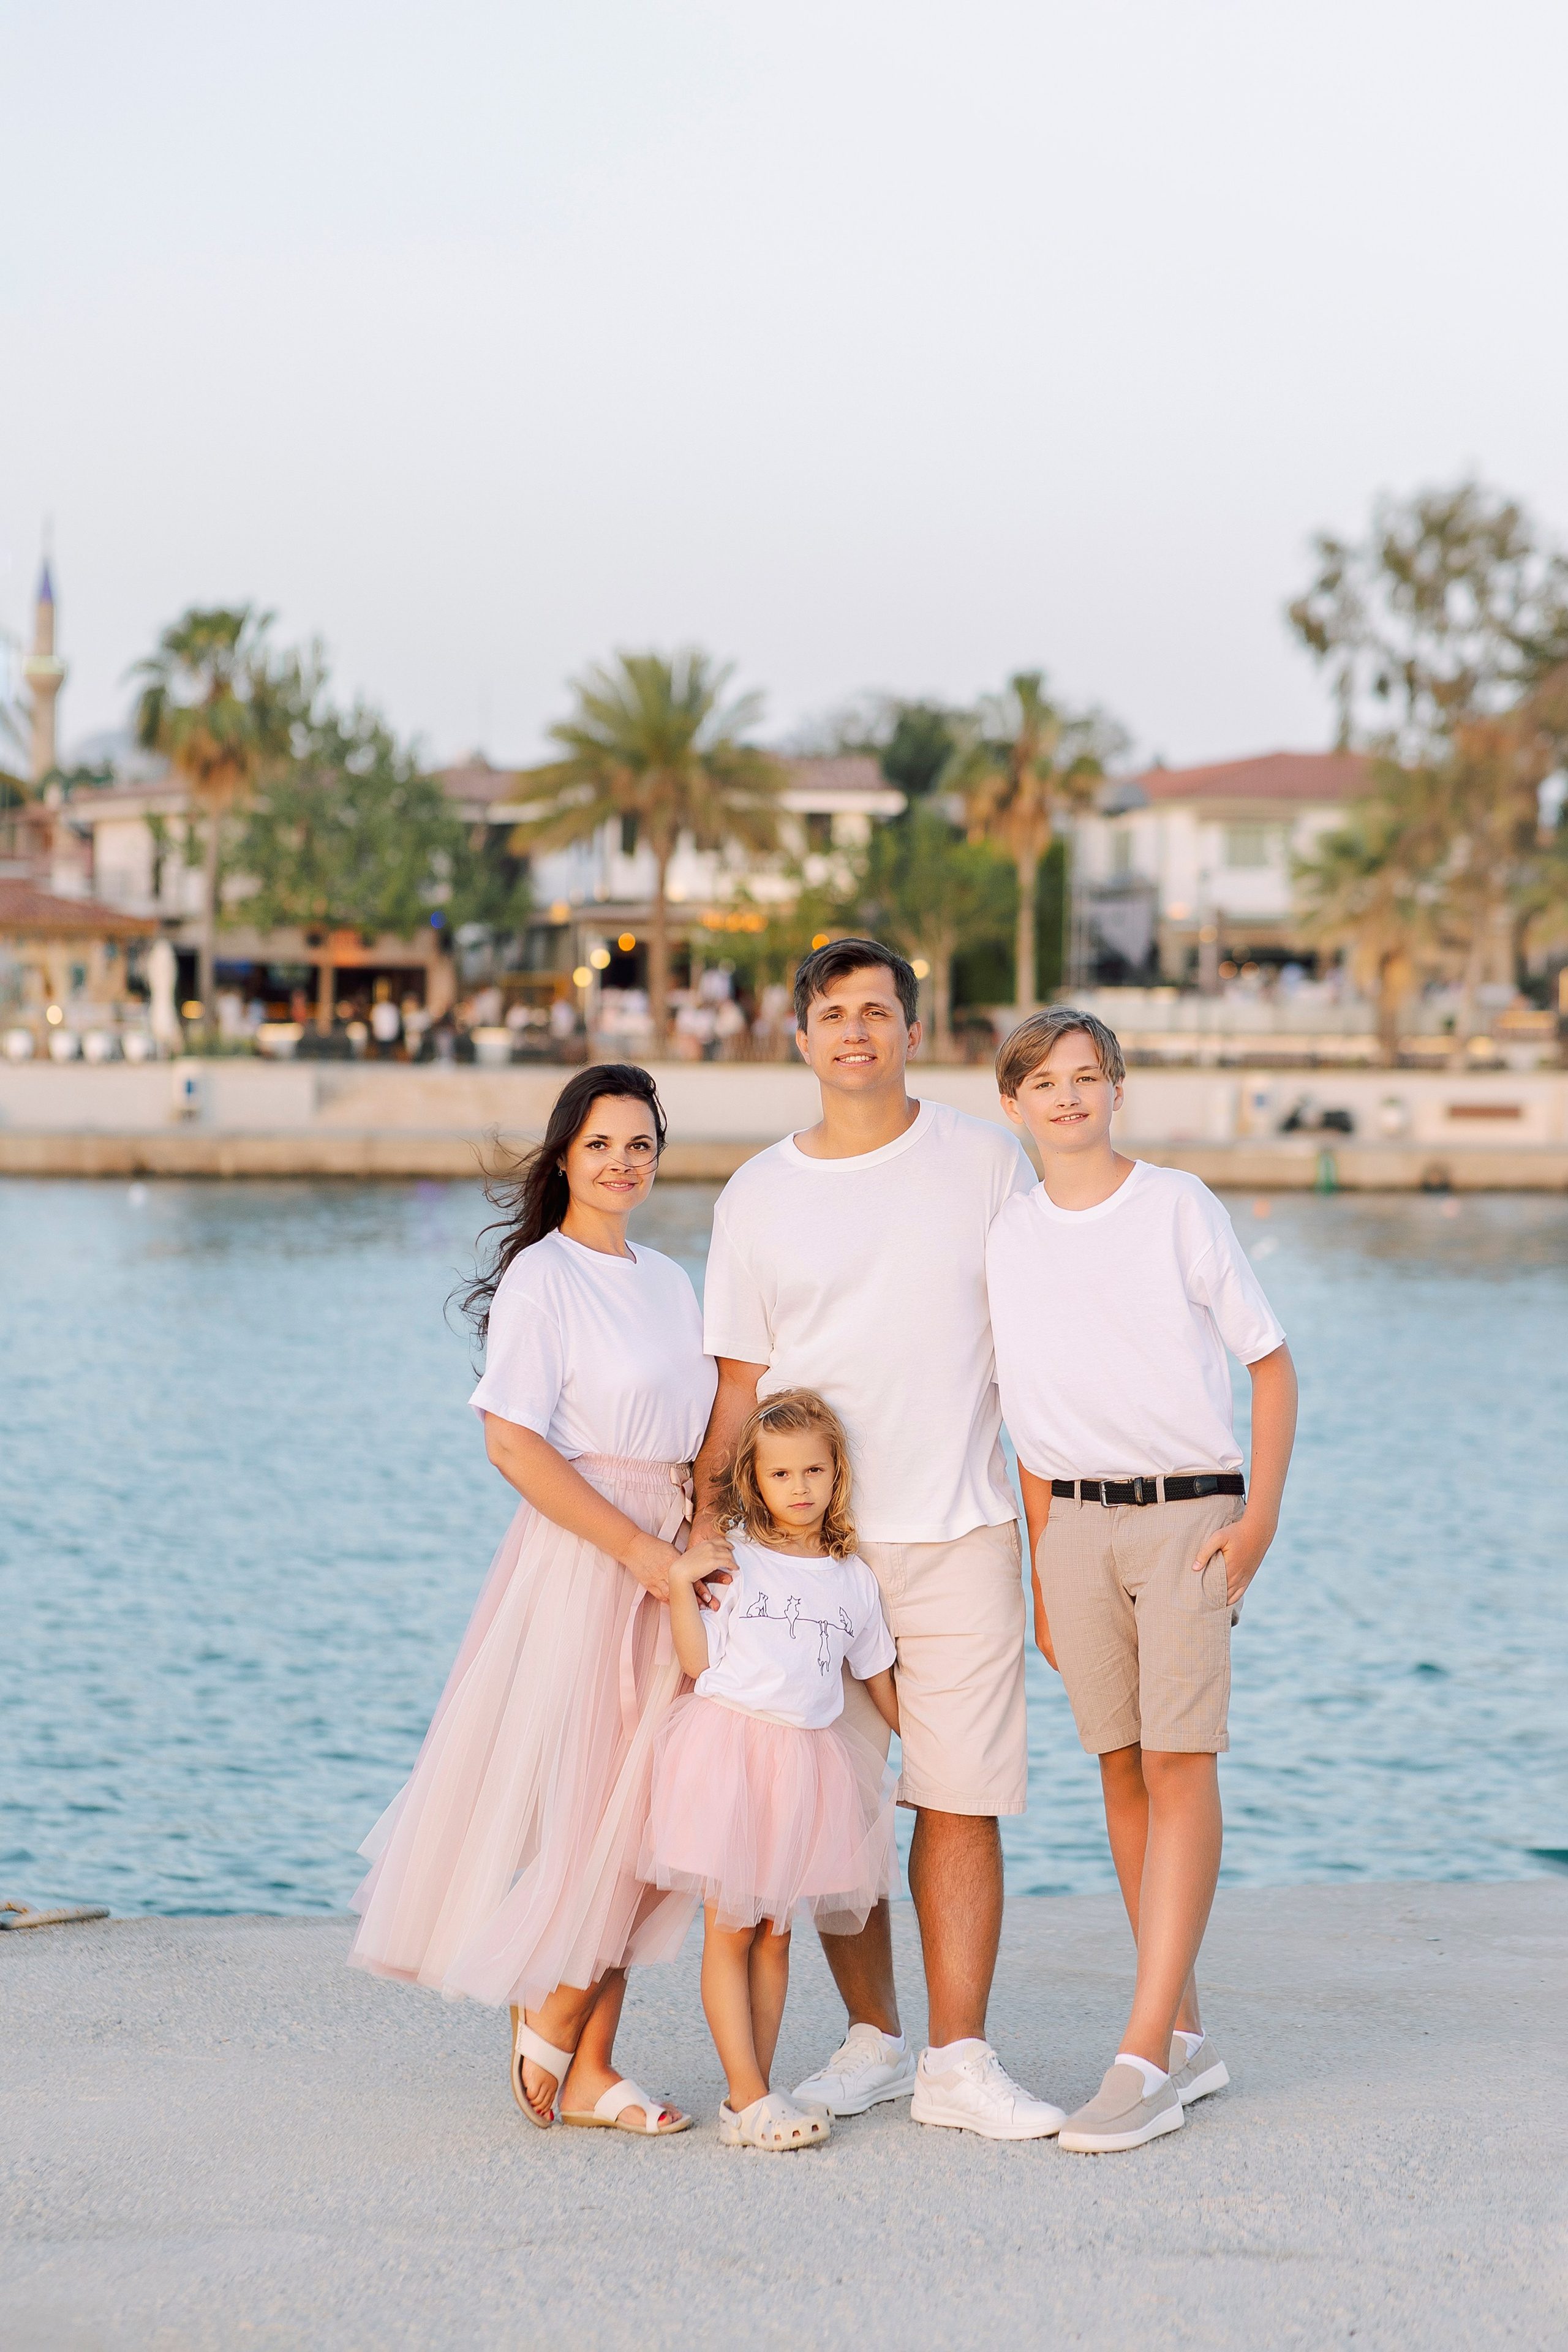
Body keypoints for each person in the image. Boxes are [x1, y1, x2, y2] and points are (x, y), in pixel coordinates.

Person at [694, 937, 1066, 2141]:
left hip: (960, 1533)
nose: (855, 1030)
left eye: (877, 1010)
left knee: (959, 1799)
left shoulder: (981, 1162)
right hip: (804, 1560)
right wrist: (704, 1537)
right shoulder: (755, 1193)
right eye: (832, 1014)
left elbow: (1036, 1364)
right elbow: (737, 1385)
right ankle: (874, 2041)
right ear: (798, 1039)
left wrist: (1051, 1548)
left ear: (912, 1026)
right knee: (833, 1814)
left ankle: (958, 2061)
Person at [349, 1063, 736, 2140]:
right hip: (587, 1557)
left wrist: (699, 1538)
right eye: (601, 1142)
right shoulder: (544, 1277)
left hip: (674, 1555)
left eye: (641, 1146)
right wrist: (638, 1554)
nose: (622, 1163)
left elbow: (703, 1429)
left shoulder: (667, 1277)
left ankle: (583, 2045)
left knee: (660, 1806)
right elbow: (513, 1442)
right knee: (598, 1802)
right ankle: (564, 2021)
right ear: (564, 1153)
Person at [987, 1006, 1298, 2154]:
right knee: (1119, 1768)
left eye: (1086, 1076)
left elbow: (1270, 1365)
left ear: (1116, 1087)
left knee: (1179, 1761)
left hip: (1189, 1519)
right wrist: (1036, 1566)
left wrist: (1257, 1520)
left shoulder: (1176, 1206)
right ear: (1012, 1106)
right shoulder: (1009, 1237)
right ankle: (1186, 2034)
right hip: (1072, 1528)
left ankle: (1140, 2056)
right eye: (1043, 1083)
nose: (1067, 1098)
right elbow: (1024, 1420)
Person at [644, 1390, 900, 2150]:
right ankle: (747, 2093)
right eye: (781, 1473)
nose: (798, 1487)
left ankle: (753, 2090)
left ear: (835, 1475)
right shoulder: (735, 1563)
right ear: (755, 1482)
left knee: (775, 1935)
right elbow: (697, 1662)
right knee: (730, 1927)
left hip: (805, 1764)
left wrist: (922, 1742)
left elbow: (878, 1675)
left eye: (813, 1471)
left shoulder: (852, 1578)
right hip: (731, 1755)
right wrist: (679, 1586)